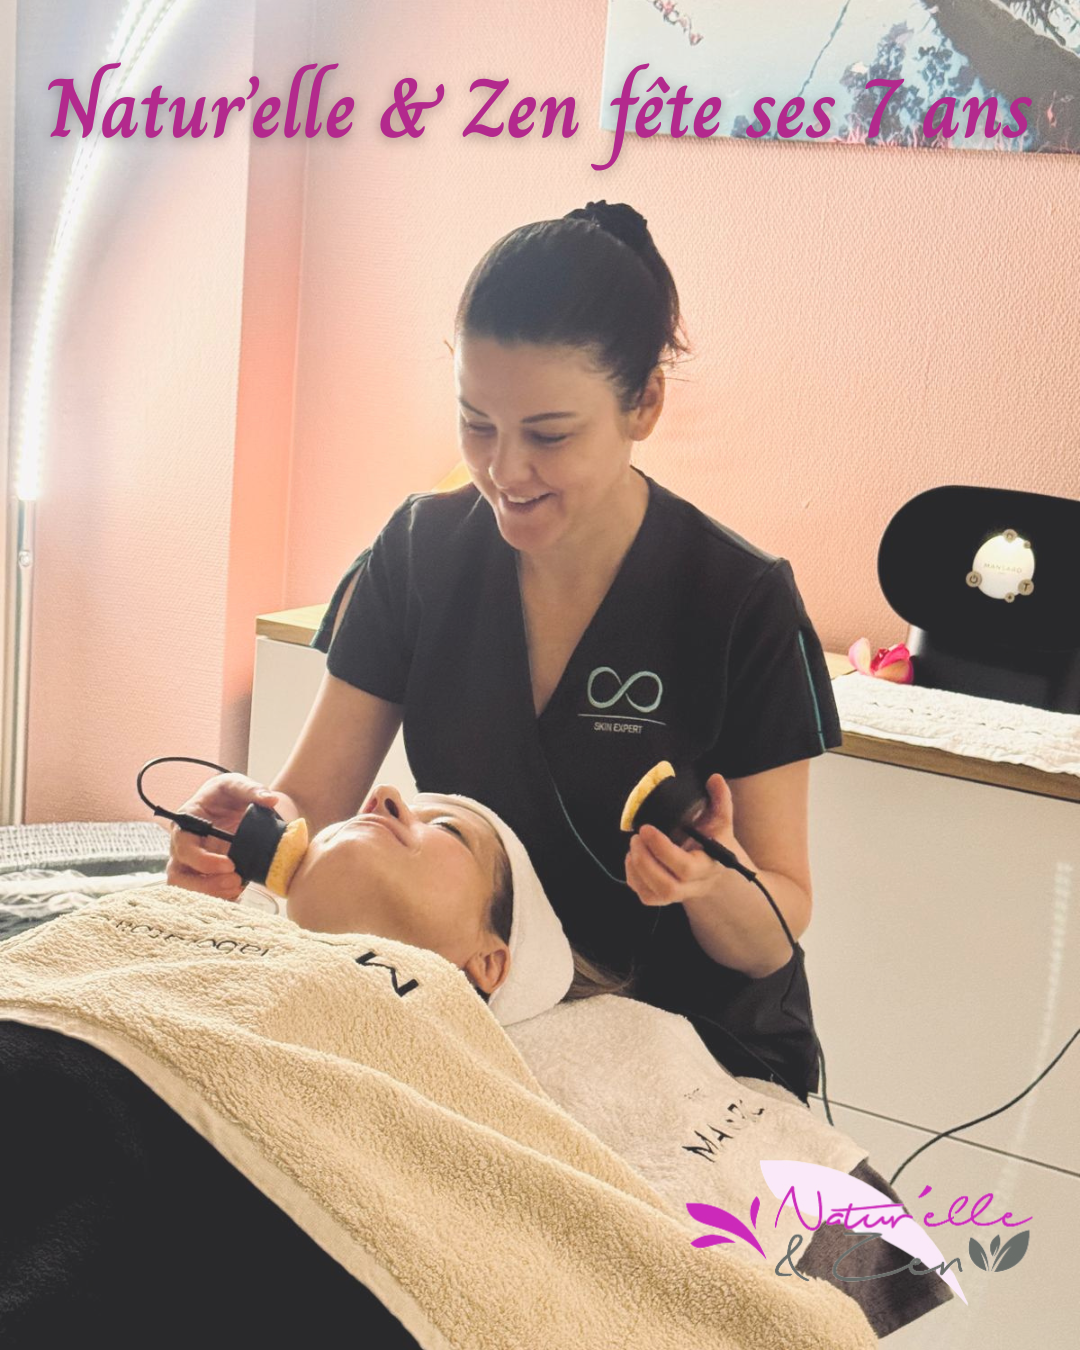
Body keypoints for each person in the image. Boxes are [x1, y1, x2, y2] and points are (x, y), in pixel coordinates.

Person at [167, 200, 843, 1100]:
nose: (503, 471)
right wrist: (240, 832)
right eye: (476, 423)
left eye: (549, 435)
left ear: (644, 403)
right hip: (486, 1038)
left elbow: (775, 928)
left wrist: (709, 884)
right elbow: (312, 805)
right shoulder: (423, 553)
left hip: (695, 1057)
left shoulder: (736, 600)